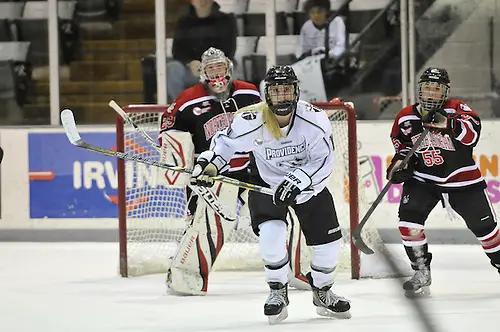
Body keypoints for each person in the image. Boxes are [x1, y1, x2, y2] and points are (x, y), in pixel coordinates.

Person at [190, 65, 351, 324]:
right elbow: (225, 144)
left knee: (329, 246)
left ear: (296, 92)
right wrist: (208, 166)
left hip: (310, 186)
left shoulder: (314, 119)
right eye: (276, 92)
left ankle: (322, 291)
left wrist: (300, 180)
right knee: (271, 234)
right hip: (267, 183)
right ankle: (277, 291)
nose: (282, 97)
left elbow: (324, 161)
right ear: (267, 95)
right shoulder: (252, 119)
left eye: (287, 90)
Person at [387, 67, 500, 298]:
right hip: (423, 180)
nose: (432, 93)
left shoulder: (458, 109)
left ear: (445, 92)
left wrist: (449, 124)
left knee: (487, 231)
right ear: (420, 90)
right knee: (408, 224)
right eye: (428, 87)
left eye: (437, 89)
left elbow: (472, 136)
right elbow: (402, 148)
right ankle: (421, 272)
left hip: (462, 180)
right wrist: (398, 166)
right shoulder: (406, 117)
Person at [159, 47, 261, 295]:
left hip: (250, 171)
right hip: (211, 176)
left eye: (220, 68)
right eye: (211, 69)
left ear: (229, 68)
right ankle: (186, 277)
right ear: (202, 73)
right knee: (204, 226)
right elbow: (168, 129)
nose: (217, 74)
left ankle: (297, 269)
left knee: (276, 219)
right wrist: (174, 152)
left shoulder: (249, 91)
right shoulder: (187, 99)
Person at [167, 0, 237, 102]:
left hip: (218, 68)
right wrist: (190, 63)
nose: (202, 1)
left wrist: (209, 66)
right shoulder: (183, 22)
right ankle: (182, 105)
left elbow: (229, 49)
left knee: (232, 70)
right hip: (192, 71)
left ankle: (223, 107)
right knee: (172, 68)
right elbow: (178, 51)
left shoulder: (226, 20)